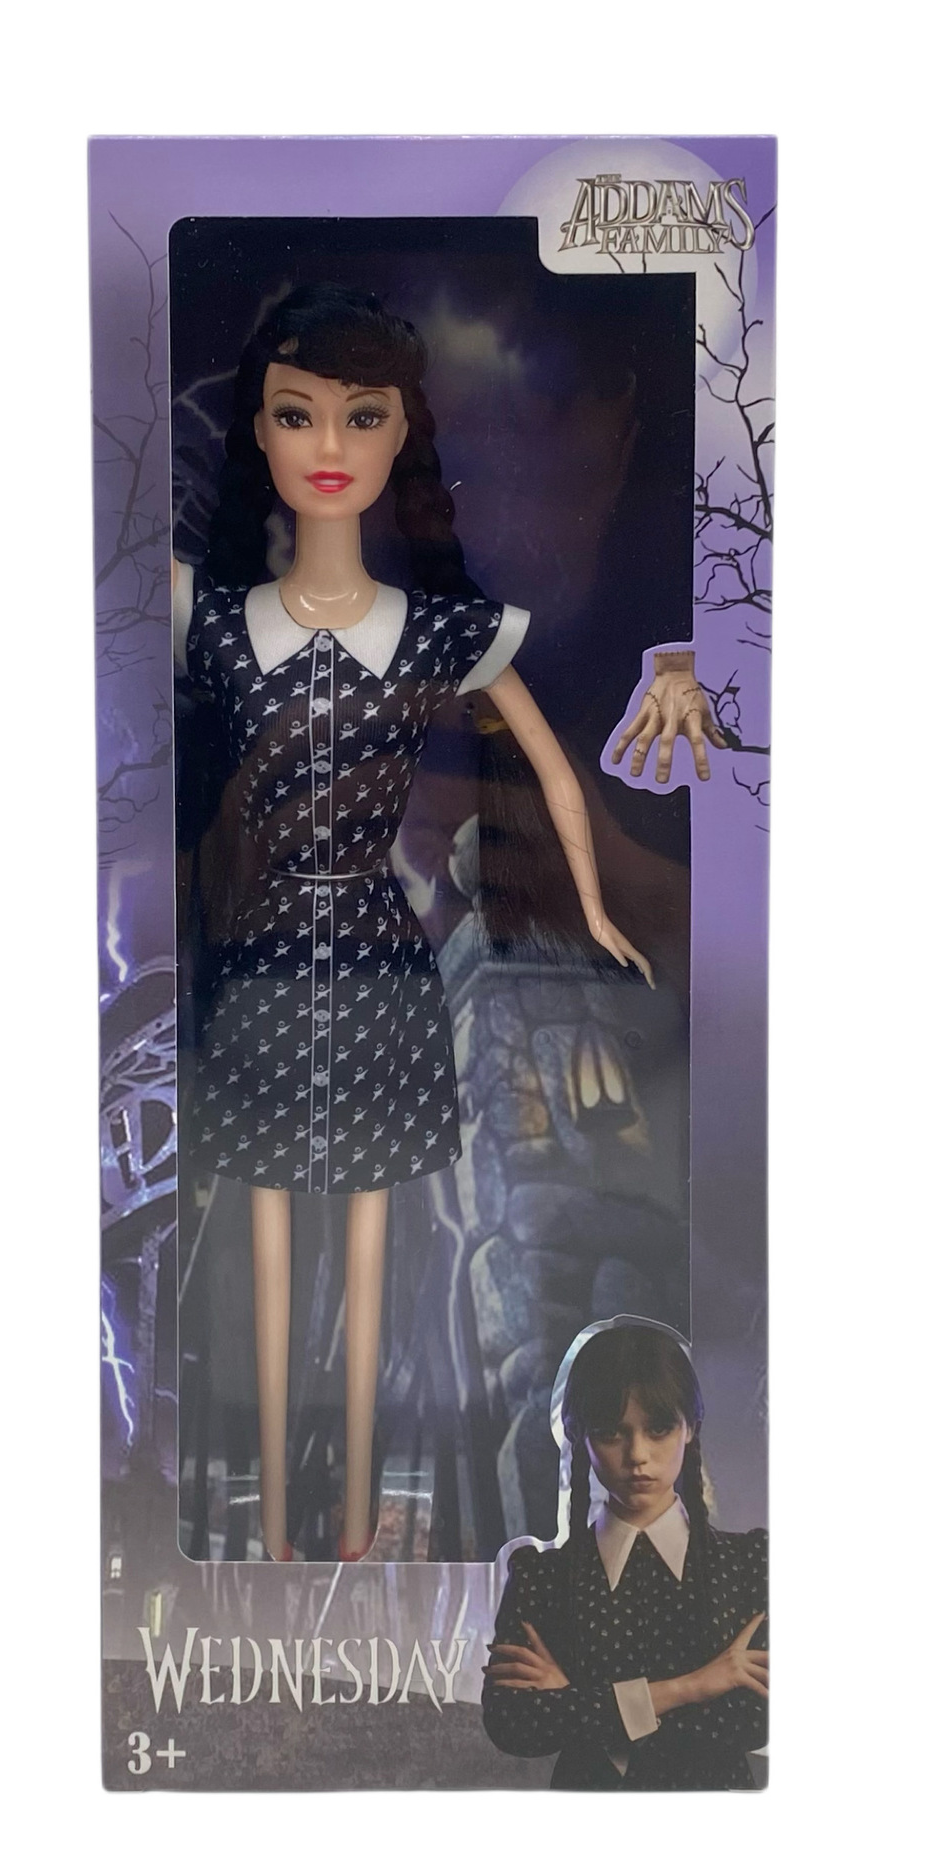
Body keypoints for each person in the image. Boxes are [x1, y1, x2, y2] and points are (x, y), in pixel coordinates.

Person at [178, 286, 661, 1561]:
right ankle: (276, 1531)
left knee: (374, 1246)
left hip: (384, 962)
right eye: (297, 415)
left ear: (403, 435)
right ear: (260, 432)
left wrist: (591, 914)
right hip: (260, 963)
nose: (329, 446)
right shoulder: (216, 620)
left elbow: (554, 774)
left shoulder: (441, 630)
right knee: (268, 1248)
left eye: (364, 416)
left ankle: (349, 1525)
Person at [482, 1321, 768, 1789]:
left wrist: (575, 1700)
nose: (637, 1454)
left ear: (690, 1427)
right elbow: (513, 1723)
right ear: (580, 1436)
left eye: (658, 1428)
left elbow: (753, 1720)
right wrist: (693, 1686)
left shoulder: (750, 1564)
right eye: (612, 1432)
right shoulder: (541, 1577)